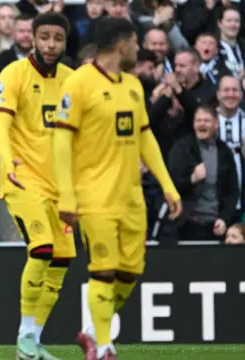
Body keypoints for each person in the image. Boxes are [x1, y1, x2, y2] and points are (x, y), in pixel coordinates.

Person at [52, 17, 182, 360]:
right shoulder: (79, 83)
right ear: (122, 45)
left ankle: (93, 333)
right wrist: (66, 193)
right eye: (136, 43)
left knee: (129, 273)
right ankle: (105, 348)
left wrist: (168, 185)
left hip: (131, 199)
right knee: (103, 270)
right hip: (94, 198)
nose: (139, 49)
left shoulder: (133, 85)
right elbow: (61, 139)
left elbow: (144, 136)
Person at [0, 12, 75, 360]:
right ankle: (25, 334)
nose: (51, 45)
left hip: (61, 187)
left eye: (58, 38)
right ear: (33, 38)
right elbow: (0, 126)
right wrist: (7, 159)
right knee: (41, 248)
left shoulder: (74, 81)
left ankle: (31, 343)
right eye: (45, 38)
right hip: (22, 179)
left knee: (61, 262)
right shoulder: (13, 74)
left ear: (65, 41)